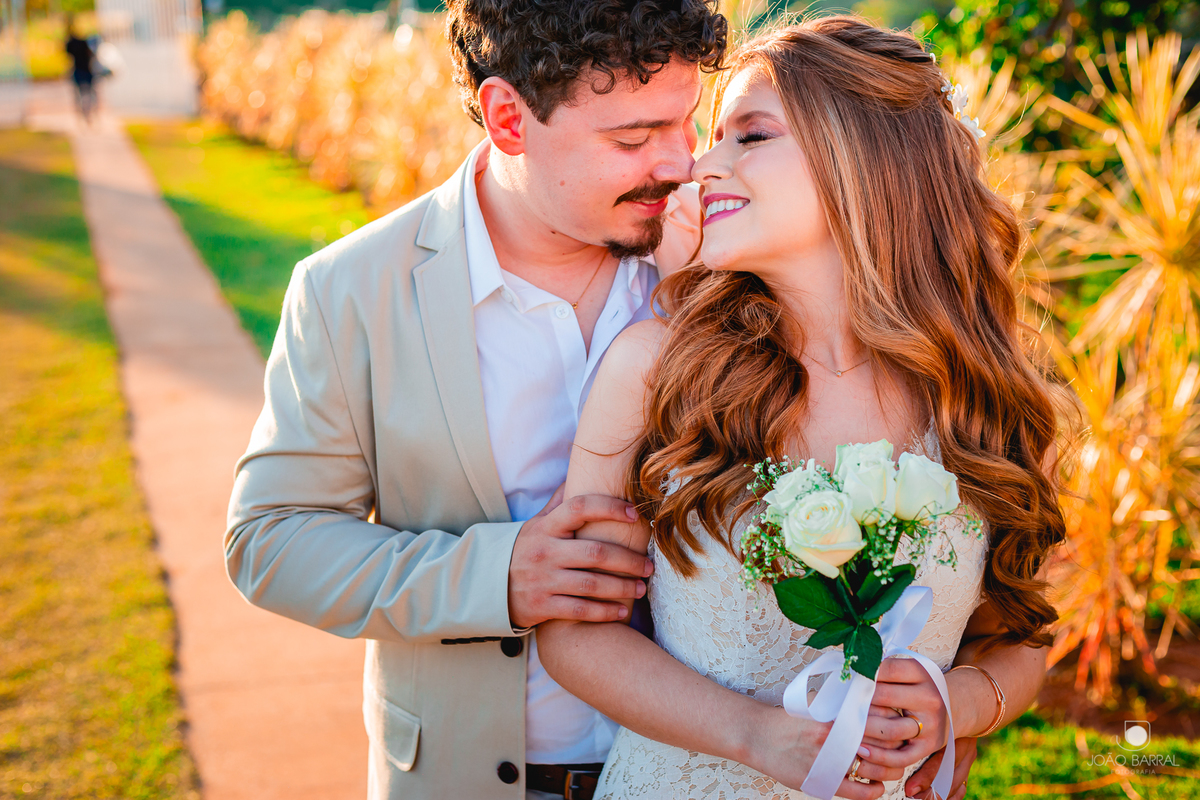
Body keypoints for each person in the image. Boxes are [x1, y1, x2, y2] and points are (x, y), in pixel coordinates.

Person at [537, 16, 1067, 800]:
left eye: (749, 135)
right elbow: (573, 632)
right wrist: (756, 737)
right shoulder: (658, 373)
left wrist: (956, 707)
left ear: (864, 159)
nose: (698, 165)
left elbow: (1018, 637)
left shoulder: (989, 399)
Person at [225, 2, 724, 798]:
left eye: (687, 122)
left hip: (707, 776)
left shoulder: (723, 261)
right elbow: (270, 541)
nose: (680, 163)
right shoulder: (349, 293)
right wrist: (495, 577)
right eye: (633, 139)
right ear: (507, 118)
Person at [64, 18, 97, 122]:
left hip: (78, 71)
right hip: (86, 70)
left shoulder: (71, 43)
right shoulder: (84, 42)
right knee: (89, 93)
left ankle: (83, 114)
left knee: (80, 95)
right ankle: (89, 113)